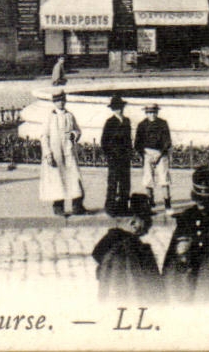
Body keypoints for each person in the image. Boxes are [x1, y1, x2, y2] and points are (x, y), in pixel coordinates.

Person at [162, 165, 209, 301]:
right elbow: (172, 265)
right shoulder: (188, 218)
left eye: (207, 200)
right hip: (196, 287)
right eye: (198, 199)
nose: (202, 205)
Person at [92, 194, 163, 303]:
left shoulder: (110, 241)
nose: (148, 227)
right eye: (145, 220)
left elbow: (97, 255)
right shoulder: (132, 247)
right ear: (132, 222)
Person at [39, 89, 86, 217]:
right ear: (54, 102)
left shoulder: (69, 116)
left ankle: (77, 206)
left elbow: (77, 131)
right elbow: (44, 136)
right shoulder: (49, 117)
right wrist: (48, 154)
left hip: (68, 152)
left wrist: (73, 135)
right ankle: (58, 206)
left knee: (74, 178)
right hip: (56, 153)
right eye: (58, 101)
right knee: (57, 180)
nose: (61, 103)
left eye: (62, 100)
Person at [135, 103, 173, 209]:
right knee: (148, 179)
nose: (152, 114)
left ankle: (167, 204)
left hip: (161, 153)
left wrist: (160, 154)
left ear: (157, 112)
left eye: (154, 112)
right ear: (146, 113)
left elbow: (167, 141)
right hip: (147, 154)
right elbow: (137, 143)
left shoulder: (163, 124)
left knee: (164, 178)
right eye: (149, 112)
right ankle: (150, 202)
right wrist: (145, 154)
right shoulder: (141, 125)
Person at [100, 95, 133, 215]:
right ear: (113, 109)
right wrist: (109, 155)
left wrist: (129, 152)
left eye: (120, 107)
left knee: (125, 182)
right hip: (114, 157)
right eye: (116, 108)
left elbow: (129, 139)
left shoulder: (126, 121)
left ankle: (124, 207)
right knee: (113, 182)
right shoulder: (110, 122)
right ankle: (111, 208)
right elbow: (104, 141)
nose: (119, 110)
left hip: (125, 157)